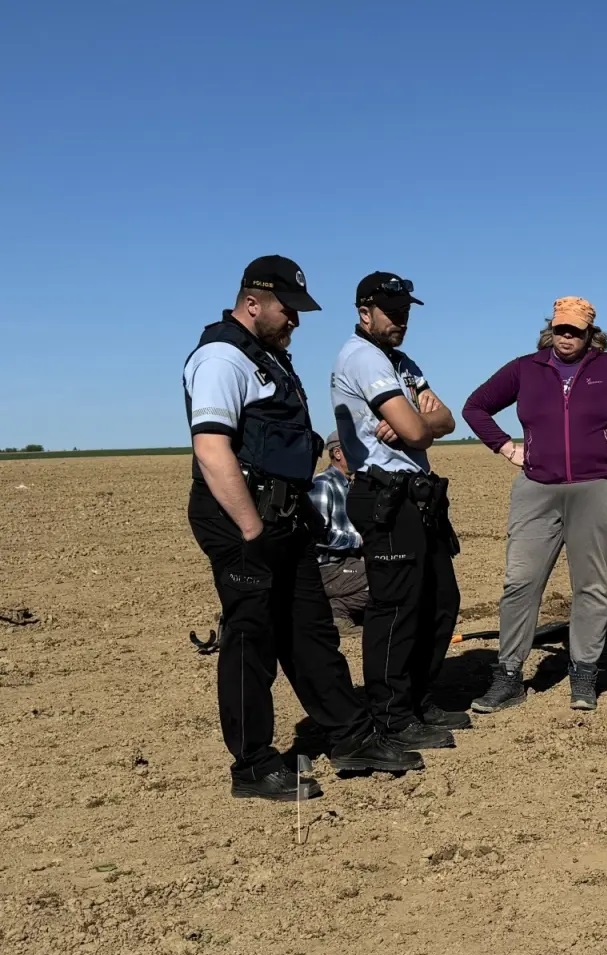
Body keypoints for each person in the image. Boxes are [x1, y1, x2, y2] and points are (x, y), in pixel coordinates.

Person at [183, 256, 423, 799]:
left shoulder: (268, 357)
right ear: (253, 303)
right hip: (242, 518)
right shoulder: (222, 357)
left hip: (282, 517)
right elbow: (212, 448)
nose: (296, 320)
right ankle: (253, 764)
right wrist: (250, 529)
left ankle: (351, 736)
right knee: (252, 638)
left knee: (310, 629)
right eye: (288, 309)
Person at [462, 297, 607, 712]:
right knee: (520, 583)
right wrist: (506, 448)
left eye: (576, 331)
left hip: (596, 488)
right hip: (536, 490)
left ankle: (583, 673)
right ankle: (508, 676)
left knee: (591, 586)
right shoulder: (525, 369)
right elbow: (475, 406)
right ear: (551, 328)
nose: (567, 337)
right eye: (561, 328)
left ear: (590, 333)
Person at [331, 272, 466, 751]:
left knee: (439, 599)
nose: (402, 320)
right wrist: (418, 421)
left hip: (419, 493)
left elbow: (446, 419)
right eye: (392, 311)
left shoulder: (401, 361)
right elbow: (414, 430)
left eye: (406, 311)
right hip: (384, 492)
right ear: (365, 312)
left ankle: (420, 699)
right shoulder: (363, 357)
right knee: (396, 608)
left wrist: (421, 421)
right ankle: (392, 713)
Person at [308, 430, 369, 627]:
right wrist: (357, 540)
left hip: (349, 564)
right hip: (329, 567)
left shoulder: (351, 485)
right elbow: (318, 535)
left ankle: (339, 608)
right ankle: (337, 610)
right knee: (383, 575)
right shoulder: (323, 484)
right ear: (337, 453)